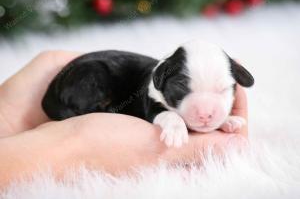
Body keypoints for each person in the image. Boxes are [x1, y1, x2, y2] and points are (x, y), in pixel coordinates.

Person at [0, 51, 248, 187]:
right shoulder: (156, 91)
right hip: (88, 78)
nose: (205, 110)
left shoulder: (168, 79)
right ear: (162, 80)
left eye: (221, 90)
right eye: (185, 90)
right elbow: (159, 114)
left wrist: (7, 113)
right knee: (94, 76)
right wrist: (72, 142)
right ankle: (80, 110)